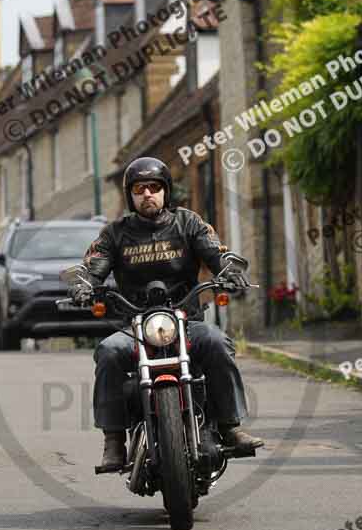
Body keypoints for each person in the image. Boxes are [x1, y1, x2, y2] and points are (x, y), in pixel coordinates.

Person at [70, 157, 264, 469]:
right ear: (130, 196)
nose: (147, 194)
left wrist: (229, 270)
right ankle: (114, 441)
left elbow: (216, 252)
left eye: (154, 187)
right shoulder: (115, 233)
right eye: (139, 188)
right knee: (107, 351)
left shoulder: (188, 223)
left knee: (217, 342)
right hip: (135, 325)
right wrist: (84, 284)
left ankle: (230, 427)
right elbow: (95, 265)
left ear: (166, 191)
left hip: (185, 321)